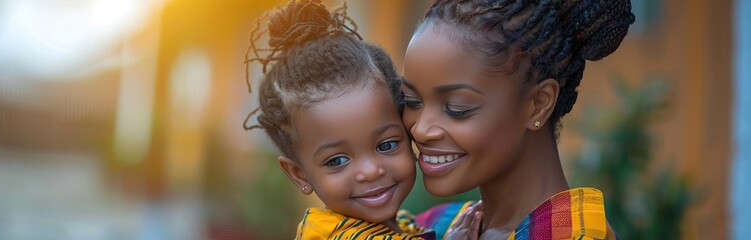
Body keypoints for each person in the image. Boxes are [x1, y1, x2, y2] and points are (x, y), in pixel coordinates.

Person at [243, 0, 483, 239]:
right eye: (337, 161)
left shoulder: (403, 225)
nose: (370, 171)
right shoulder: (333, 234)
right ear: (300, 174)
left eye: (386, 145)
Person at [401, 0, 635, 239]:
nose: (420, 129)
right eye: (410, 100)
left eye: (456, 108)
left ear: (538, 104)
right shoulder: (435, 226)